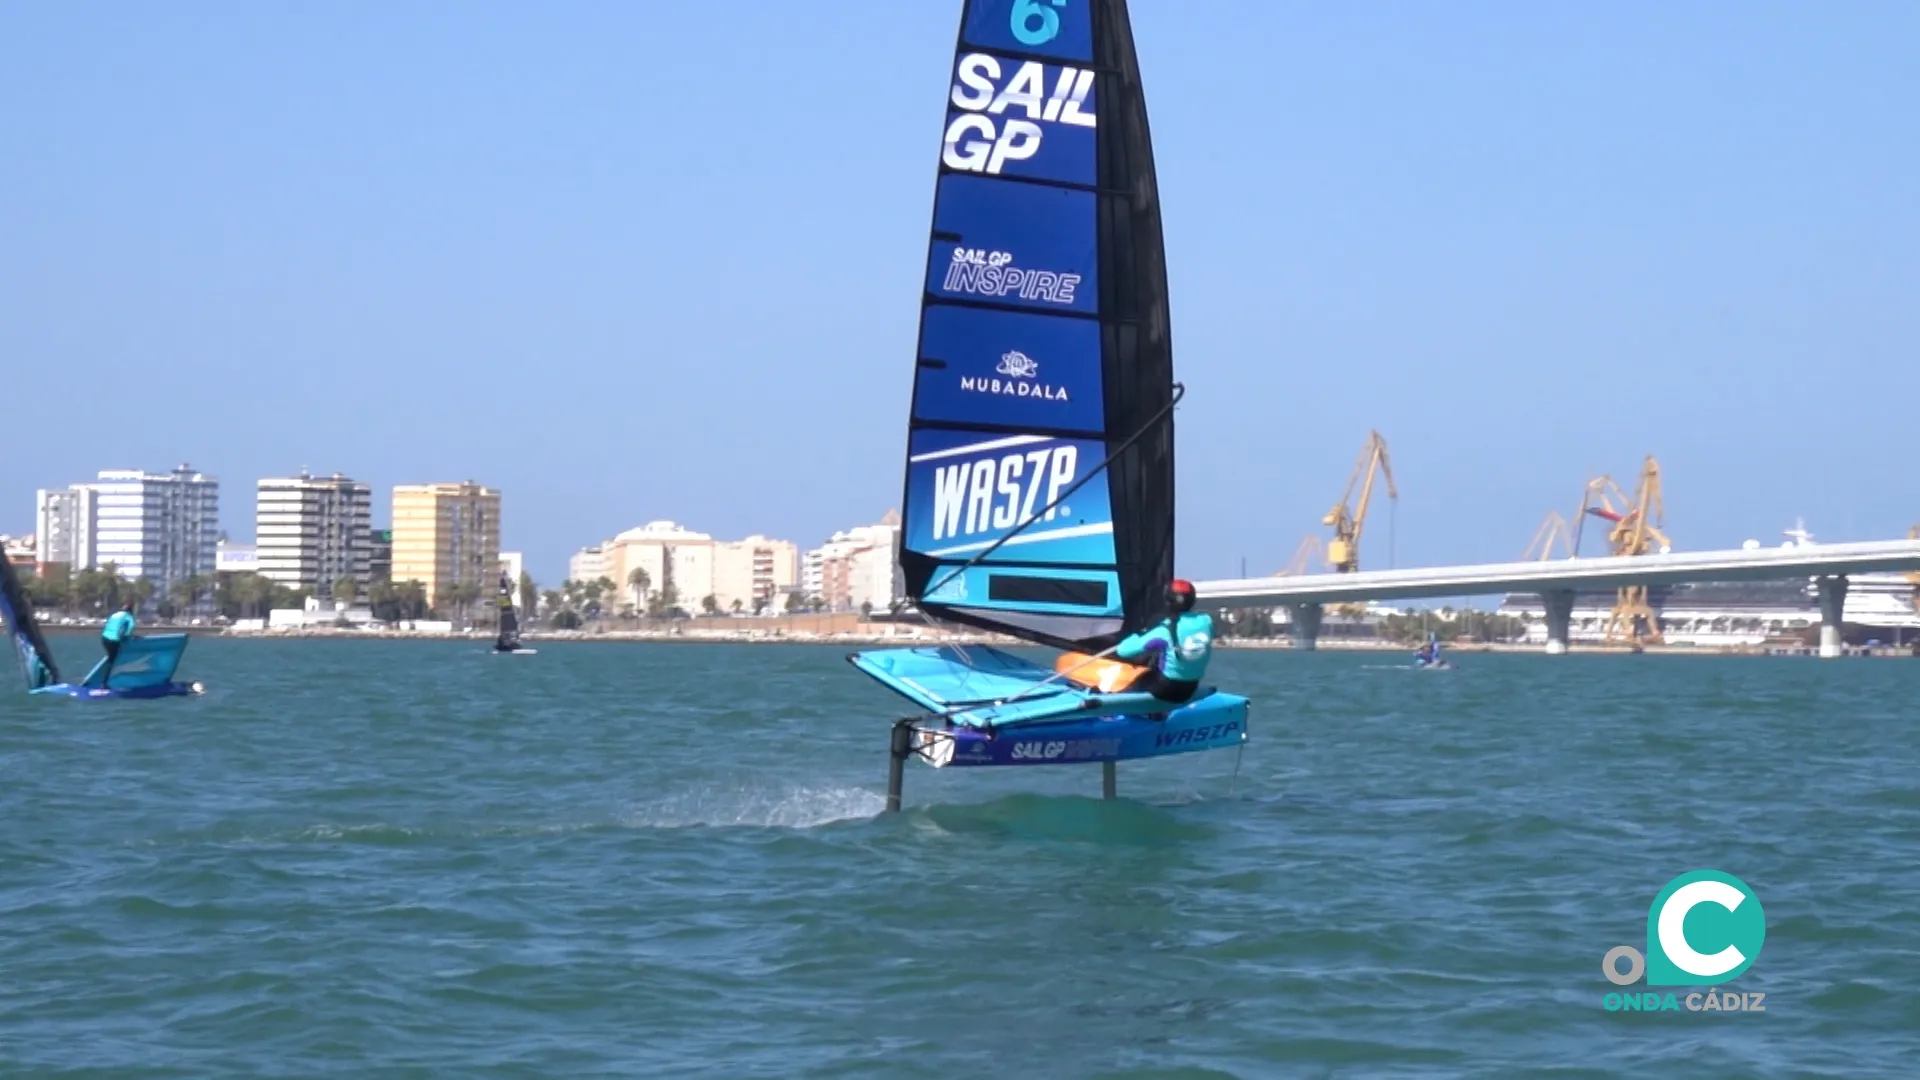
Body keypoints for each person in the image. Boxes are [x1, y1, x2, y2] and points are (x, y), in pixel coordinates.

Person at [1115, 579, 1213, 705]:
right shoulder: (1207, 621)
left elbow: (1122, 651)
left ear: (1167, 602)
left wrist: (1137, 635)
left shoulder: (1163, 631)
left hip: (1165, 690)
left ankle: (1119, 713)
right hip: (1190, 689)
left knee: (1136, 681)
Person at [99, 601, 136, 685]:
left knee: (111, 658)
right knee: (112, 661)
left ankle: (104, 680)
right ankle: (104, 684)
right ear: (130, 611)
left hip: (104, 638)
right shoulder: (129, 617)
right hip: (114, 641)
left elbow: (109, 625)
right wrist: (129, 636)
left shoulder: (114, 614)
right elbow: (129, 630)